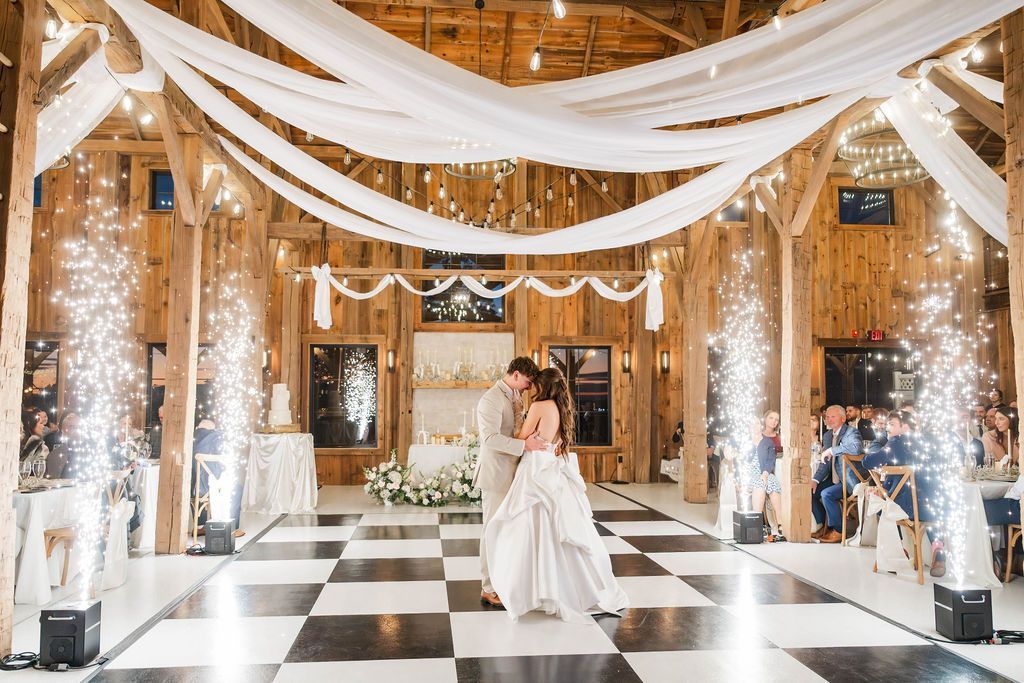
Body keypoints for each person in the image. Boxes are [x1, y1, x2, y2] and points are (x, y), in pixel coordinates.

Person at [484, 367, 628, 623]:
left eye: (536, 384)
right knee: (552, 528)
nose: (533, 389)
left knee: (528, 528)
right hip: (551, 468)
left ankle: (534, 588)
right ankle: (562, 587)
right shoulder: (561, 407)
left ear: (543, 386)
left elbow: (520, 437)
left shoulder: (540, 406)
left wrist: (522, 425)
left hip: (534, 469)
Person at [474, 356, 545, 608]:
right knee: (491, 530)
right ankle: (488, 587)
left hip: (513, 473)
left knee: (508, 531)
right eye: (527, 381)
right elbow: (490, 438)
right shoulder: (491, 400)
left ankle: (504, 580)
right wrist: (524, 444)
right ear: (516, 375)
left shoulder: (515, 395)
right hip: (495, 474)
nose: (529, 387)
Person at [811, 405, 864, 543]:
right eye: (827, 417)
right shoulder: (828, 435)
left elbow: (855, 448)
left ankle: (839, 530)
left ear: (843, 418)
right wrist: (815, 480)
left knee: (827, 494)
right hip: (835, 479)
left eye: (832, 416)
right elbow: (826, 462)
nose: (829, 419)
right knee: (810, 492)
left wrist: (832, 451)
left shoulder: (851, 432)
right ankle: (823, 526)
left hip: (849, 480)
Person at [746, 417, 784, 540]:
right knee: (760, 484)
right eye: (752, 423)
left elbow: (770, 460)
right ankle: (757, 524)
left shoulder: (767, 442)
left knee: (773, 482)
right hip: (748, 474)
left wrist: (766, 473)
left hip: (764, 472)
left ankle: (780, 523)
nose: (755, 426)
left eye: (757, 423)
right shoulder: (744, 440)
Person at [46, 412, 79, 479]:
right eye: (72, 427)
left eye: (79, 427)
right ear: (63, 431)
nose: (77, 431)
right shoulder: (55, 455)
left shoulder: (92, 453)